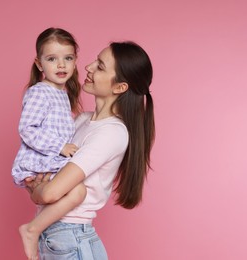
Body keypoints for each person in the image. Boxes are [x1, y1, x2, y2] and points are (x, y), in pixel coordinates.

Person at [25, 41, 155, 259]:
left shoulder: (111, 133)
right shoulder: (83, 120)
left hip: (70, 238)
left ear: (120, 87)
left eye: (101, 66)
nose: (89, 67)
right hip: (61, 238)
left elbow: (49, 192)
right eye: (95, 60)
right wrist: (40, 187)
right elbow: (44, 170)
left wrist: (37, 192)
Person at [11, 28, 87, 260]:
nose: (61, 65)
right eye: (52, 59)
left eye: (68, 58)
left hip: (50, 162)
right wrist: (60, 147)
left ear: (75, 61)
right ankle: (32, 230)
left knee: (75, 190)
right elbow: (27, 128)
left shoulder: (61, 93)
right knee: (77, 191)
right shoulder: (40, 91)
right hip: (39, 162)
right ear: (39, 64)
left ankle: (38, 230)